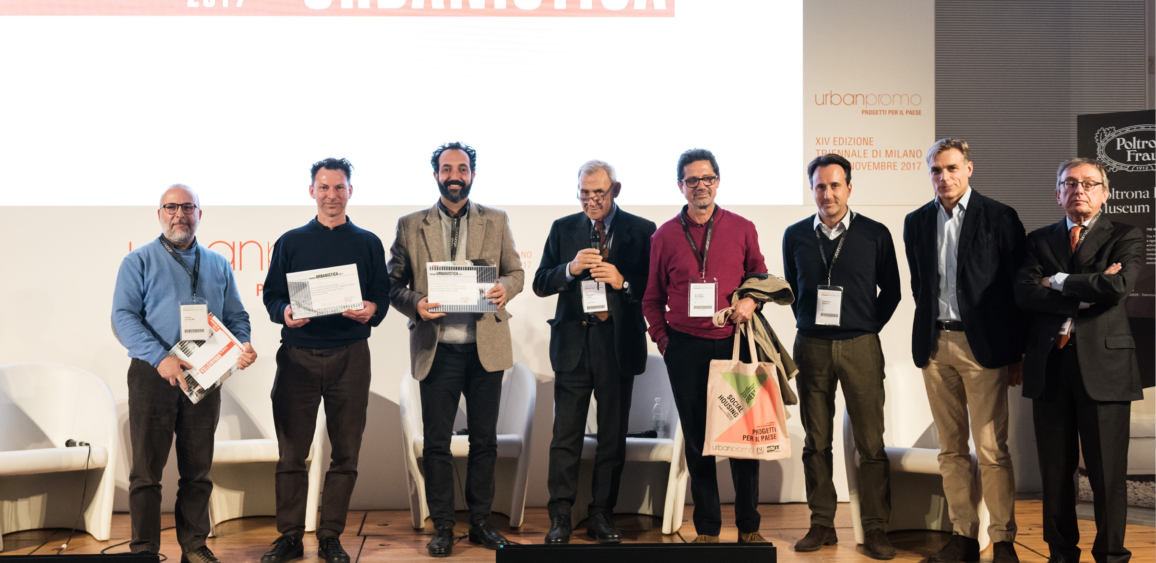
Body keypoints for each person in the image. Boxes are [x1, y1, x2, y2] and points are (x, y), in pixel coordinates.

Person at [387, 142, 525, 558]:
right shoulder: (411, 225)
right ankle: (444, 526)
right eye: (446, 168)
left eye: (461, 169)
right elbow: (391, 284)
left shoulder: (496, 220)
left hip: (485, 347)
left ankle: (481, 523)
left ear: (472, 175)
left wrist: (505, 288)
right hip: (438, 349)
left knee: (485, 442)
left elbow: (516, 272)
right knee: (436, 444)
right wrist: (416, 303)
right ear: (436, 175)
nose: (454, 176)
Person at [112, 184, 257, 563]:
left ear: (199, 214)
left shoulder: (218, 263)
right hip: (153, 375)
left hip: (204, 378)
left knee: (198, 471)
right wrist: (161, 358)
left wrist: (242, 345)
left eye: (188, 207)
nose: (180, 214)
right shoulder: (138, 261)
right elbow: (123, 317)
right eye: (171, 207)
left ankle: (194, 546)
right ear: (160, 214)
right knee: (146, 473)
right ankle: (144, 550)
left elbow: (237, 316)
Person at [260, 158, 390, 563]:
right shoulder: (291, 241)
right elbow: (272, 296)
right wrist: (284, 312)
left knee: (346, 453)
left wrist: (371, 309)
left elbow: (381, 296)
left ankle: (331, 535)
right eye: (324, 187)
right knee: (291, 454)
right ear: (311, 191)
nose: (331, 195)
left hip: (350, 356)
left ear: (350, 191)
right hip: (297, 358)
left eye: (339, 188)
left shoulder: (368, 242)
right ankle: (290, 537)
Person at [902, 138, 1025, 563]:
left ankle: (1003, 540)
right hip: (935, 345)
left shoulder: (1000, 217)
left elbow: (1016, 289)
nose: (944, 177)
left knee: (991, 449)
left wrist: (1016, 352)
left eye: (952, 168)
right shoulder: (916, 221)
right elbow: (920, 286)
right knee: (951, 450)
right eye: (936, 170)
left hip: (983, 347)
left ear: (969, 169)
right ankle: (963, 537)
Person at [1015, 158, 1143, 563]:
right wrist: (1090, 290)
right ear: (1058, 194)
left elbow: (1117, 286)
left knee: (1107, 474)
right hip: (1051, 366)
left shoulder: (1126, 235)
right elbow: (1025, 293)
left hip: (1106, 369)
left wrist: (1056, 281)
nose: (1079, 190)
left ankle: (1111, 556)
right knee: (1055, 473)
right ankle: (1061, 555)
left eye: (1089, 183)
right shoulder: (1038, 240)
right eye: (1070, 183)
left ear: (1106, 194)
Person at [641, 148, 768, 544]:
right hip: (686, 350)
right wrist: (666, 343)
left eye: (707, 178)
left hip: (734, 346)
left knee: (744, 441)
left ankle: (749, 529)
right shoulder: (664, 236)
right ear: (681, 185)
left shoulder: (742, 228)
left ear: (718, 181)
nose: (701, 186)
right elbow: (651, 298)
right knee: (698, 442)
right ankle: (708, 530)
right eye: (692, 180)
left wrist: (751, 300)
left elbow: (760, 278)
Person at [783, 154, 901, 559]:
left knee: (870, 443)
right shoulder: (795, 235)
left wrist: (865, 326)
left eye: (835, 185)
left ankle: (876, 527)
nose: (828, 194)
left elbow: (892, 291)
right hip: (811, 347)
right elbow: (795, 289)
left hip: (860, 347)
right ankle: (822, 523)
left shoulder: (875, 233)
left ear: (849, 187)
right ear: (811, 189)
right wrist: (813, 325)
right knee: (816, 441)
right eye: (820, 186)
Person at [533, 160, 657, 544]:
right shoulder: (563, 228)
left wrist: (623, 282)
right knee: (564, 436)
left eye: (598, 193)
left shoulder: (643, 230)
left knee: (612, 436)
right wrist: (569, 269)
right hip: (573, 343)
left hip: (617, 343)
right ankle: (560, 516)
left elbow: (654, 288)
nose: (591, 201)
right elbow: (540, 282)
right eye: (584, 194)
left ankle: (602, 513)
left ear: (615, 190)